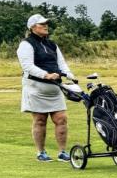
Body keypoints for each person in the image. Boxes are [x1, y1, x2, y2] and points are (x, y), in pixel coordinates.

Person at [17, 14, 75, 162]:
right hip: (36, 88)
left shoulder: (52, 44)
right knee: (40, 120)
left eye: (46, 23)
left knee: (61, 119)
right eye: (42, 24)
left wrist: (69, 75)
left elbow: (61, 63)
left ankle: (62, 152)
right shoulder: (26, 44)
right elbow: (27, 66)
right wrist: (46, 75)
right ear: (32, 27)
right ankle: (41, 152)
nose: (45, 26)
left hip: (54, 88)